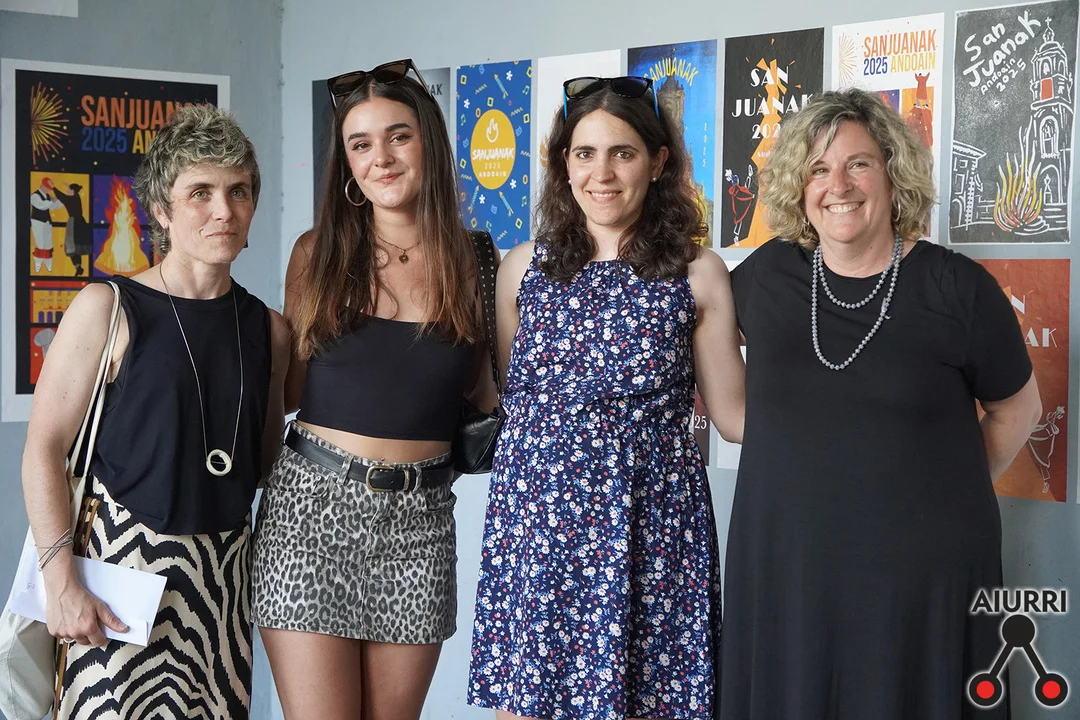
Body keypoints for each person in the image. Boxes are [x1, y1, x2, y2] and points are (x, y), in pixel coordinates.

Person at [719, 88, 1042, 719]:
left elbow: (1019, 410)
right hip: (788, 570)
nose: (837, 185)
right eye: (817, 169)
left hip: (920, 581)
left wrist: (941, 488)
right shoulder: (766, 275)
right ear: (799, 187)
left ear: (893, 174)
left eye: (858, 164)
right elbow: (701, 360)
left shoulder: (957, 288)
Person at [469, 76, 744, 720]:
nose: (602, 173)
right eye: (585, 153)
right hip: (538, 534)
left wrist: (849, 414)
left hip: (653, 531)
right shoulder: (522, 269)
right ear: (563, 164)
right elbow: (514, 401)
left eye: (623, 153)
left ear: (659, 161)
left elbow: (734, 418)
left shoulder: (697, 272)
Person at [21, 104, 290, 718]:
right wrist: (61, 583)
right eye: (201, 193)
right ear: (162, 211)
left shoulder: (269, 330)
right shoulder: (107, 307)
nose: (224, 211)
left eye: (239, 191)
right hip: (115, 575)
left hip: (222, 583)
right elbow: (42, 450)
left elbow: (263, 464)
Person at [251, 59, 496, 720]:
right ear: (347, 166)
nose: (380, 158)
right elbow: (289, 390)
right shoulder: (318, 253)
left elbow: (487, 396)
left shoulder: (476, 259)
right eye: (360, 144)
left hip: (421, 523)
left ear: (429, 145)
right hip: (310, 516)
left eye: (398, 136)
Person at [53, 182, 92, 276]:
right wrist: (68, 186)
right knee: (76, 247)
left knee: (72, 247)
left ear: (73, 191)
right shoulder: (76, 197)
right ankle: (78, 267)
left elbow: (61, 196)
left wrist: (53, 187)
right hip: (80, 223)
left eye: (69, 190)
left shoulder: (70, 199)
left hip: (74, 224)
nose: (67, 191)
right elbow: (67, 194)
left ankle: (78, 267)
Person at [30, 177, 62, 272]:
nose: (48, 190)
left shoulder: (48, 196)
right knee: (40, 244)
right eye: (47, 187)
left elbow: (53, 206)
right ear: (43, 185)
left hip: (47, 222)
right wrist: (52, 201)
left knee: (48, 244)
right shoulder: (35, 196)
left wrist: (62, 201)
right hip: (38, 222)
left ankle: (48, 264)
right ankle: (38, 264)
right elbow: (41, 206)